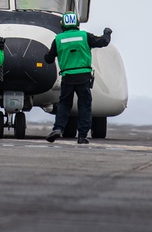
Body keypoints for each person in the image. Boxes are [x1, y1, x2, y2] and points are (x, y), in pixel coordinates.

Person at [45, 13, 112, 145]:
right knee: (85, 105)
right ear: (76, 24)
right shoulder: (85, 36)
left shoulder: (58, 39)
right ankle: (82, 136)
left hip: (67, 77)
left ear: (63, 24)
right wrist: (107, 33)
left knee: (64, 104)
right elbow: (103, 42)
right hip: (83, 76)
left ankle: (58, 128)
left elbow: (48, 59)